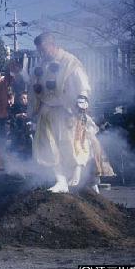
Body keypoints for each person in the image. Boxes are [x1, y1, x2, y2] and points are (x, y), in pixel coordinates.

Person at [30, 32, 97, 193]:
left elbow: (83, 83)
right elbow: (33, 90)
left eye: (44, 49)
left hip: (67, 110)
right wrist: (31, 112)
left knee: (70, 145)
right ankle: (60, 181)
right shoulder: (40, 66)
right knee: (48, 147)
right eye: (39, 50)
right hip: (46, 111)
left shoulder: (70, 62)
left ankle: (80, 173)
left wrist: (82, 98)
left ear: (52, 45)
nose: (42, 53)